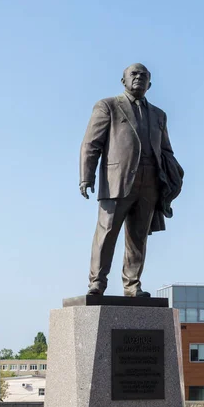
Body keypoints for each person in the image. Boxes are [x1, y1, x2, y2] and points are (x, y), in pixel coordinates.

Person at [80, 63, 183, 297]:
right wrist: (87, 176)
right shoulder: (108, 106)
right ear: (123, 80)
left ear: (150, 84)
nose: (138, 77)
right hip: (117, 180)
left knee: (138, 237)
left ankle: (132, 285)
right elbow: (91, 143)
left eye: (144, 75)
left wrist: (173, 177)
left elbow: (166, 150)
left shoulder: (159, 115)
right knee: (107, 233)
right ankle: (97, 282)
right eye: (133, 74)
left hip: (149, 183)